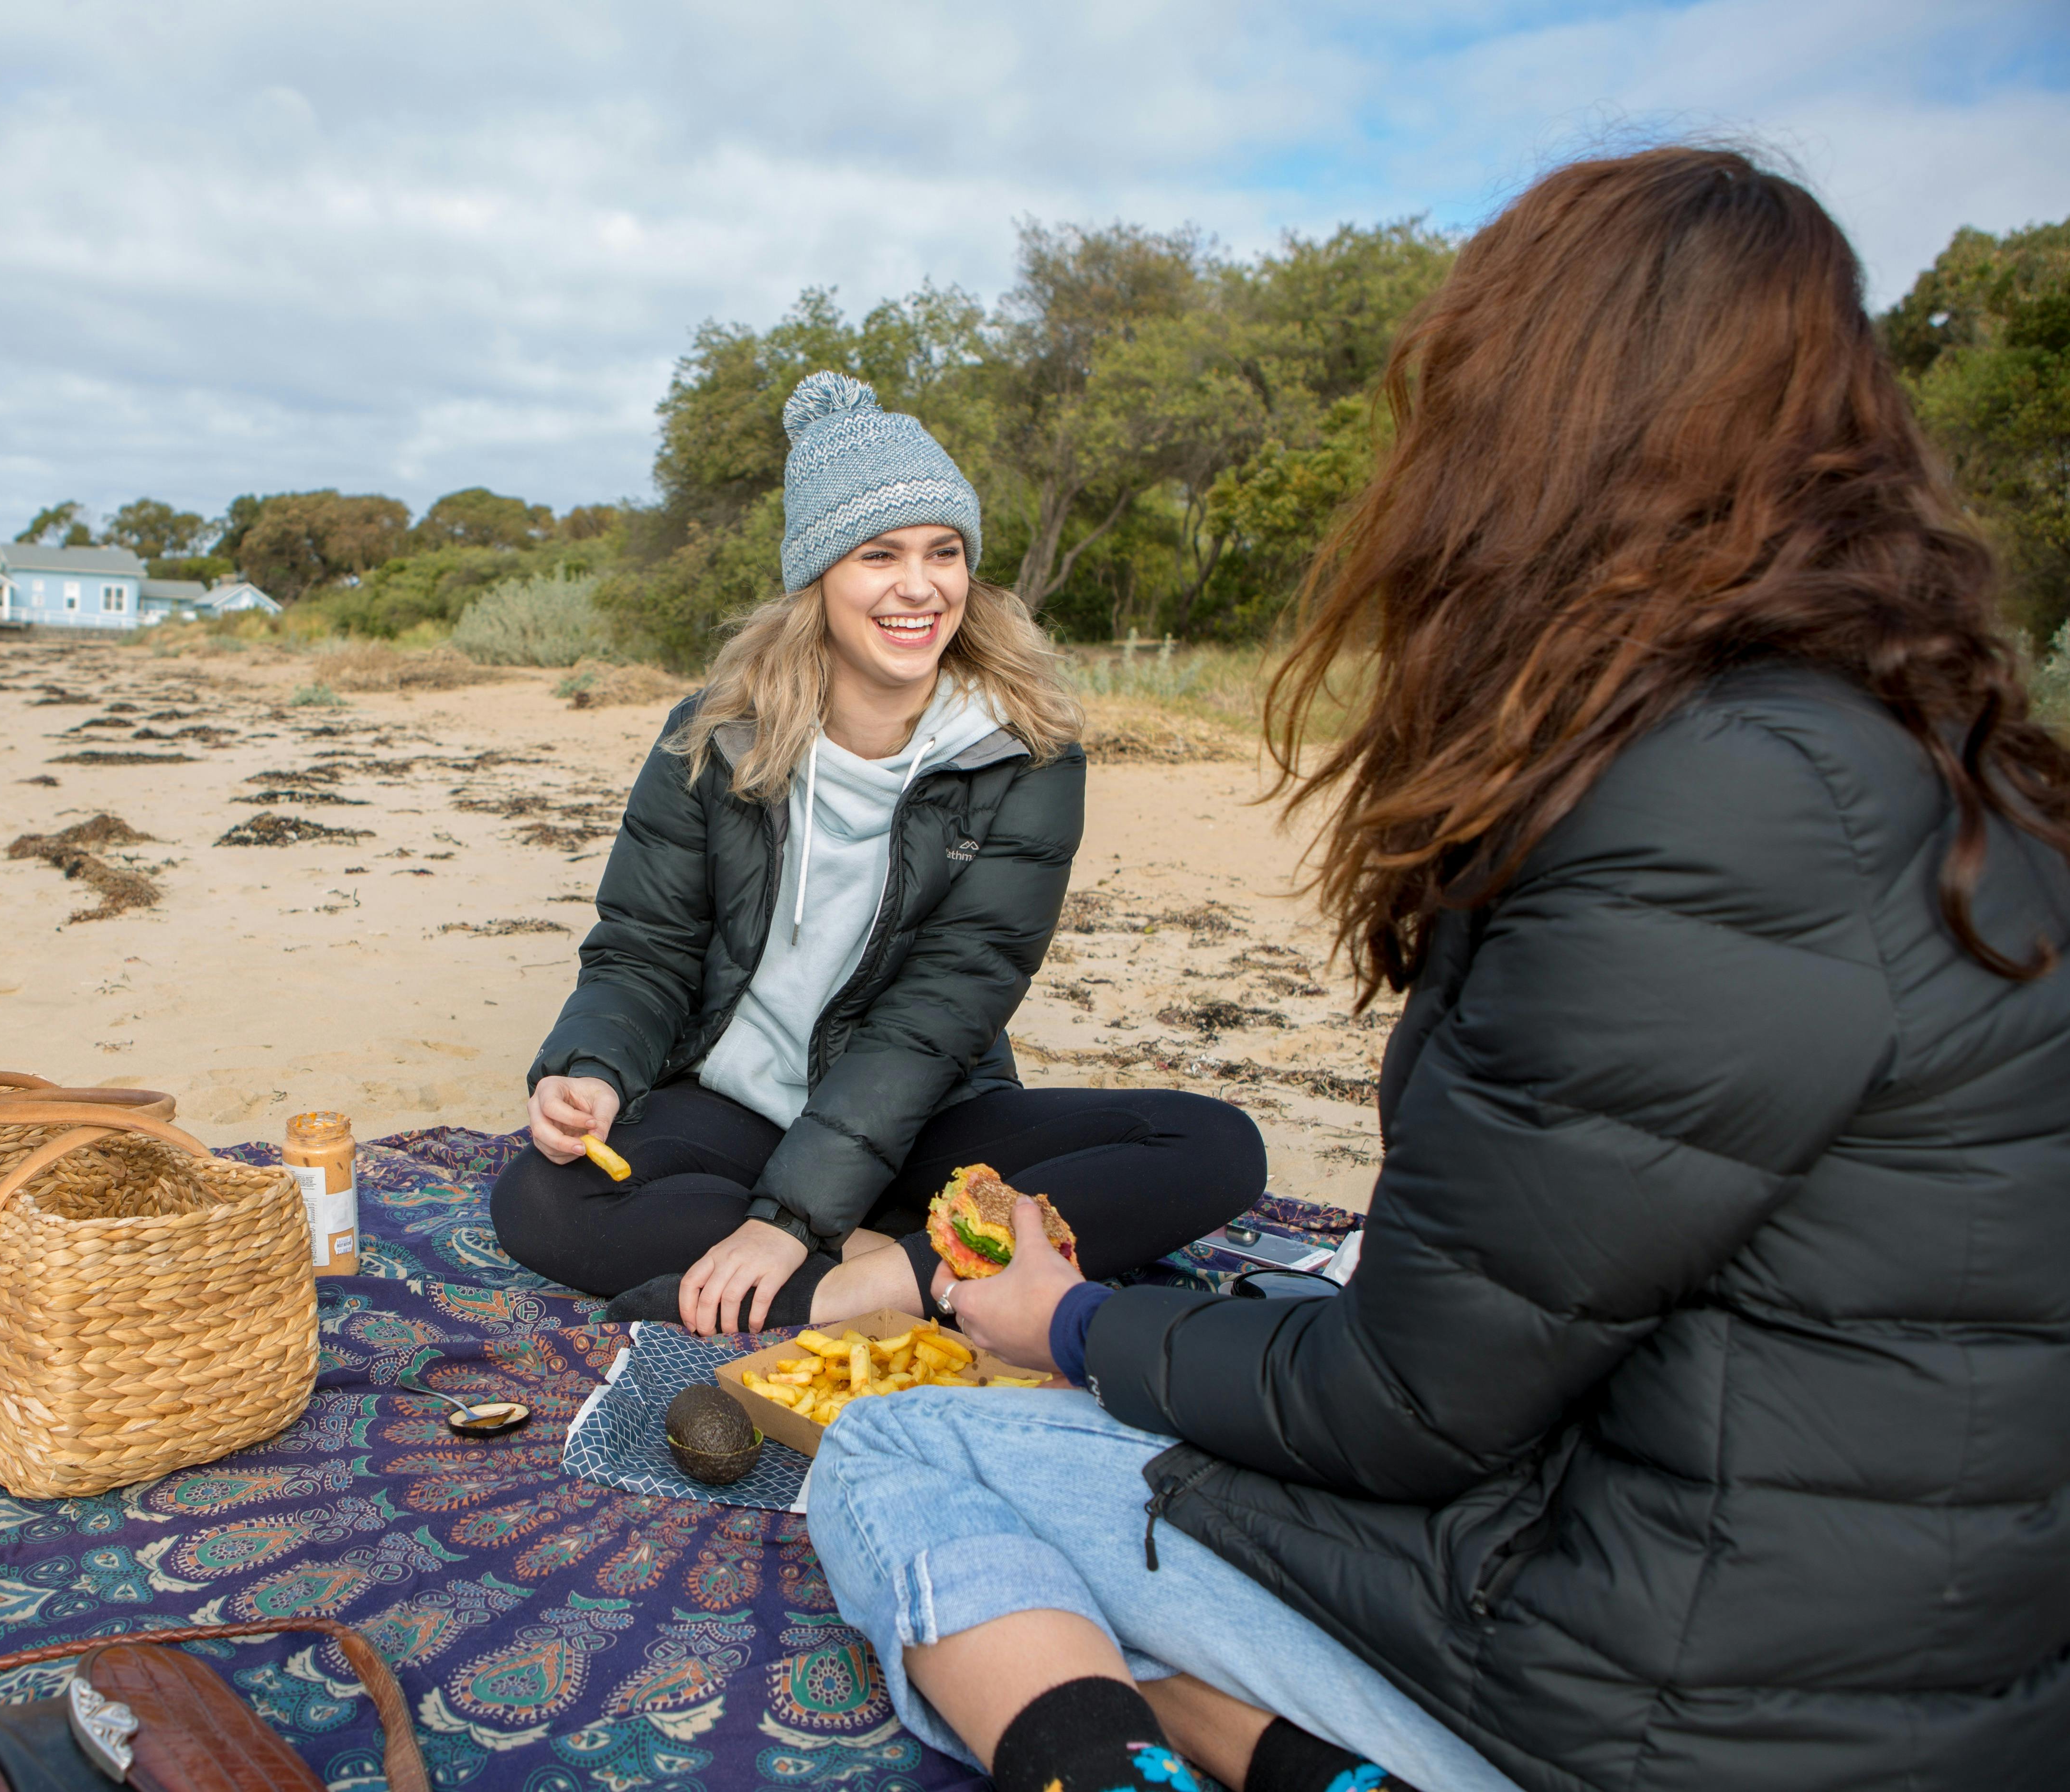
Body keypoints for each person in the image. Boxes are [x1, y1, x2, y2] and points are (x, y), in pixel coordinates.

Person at [806, 146, 2070, 1792]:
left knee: (897, 1446)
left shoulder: (1704, 802)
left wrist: (1074, 1325)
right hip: (1899, 1652)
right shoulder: (1947, 760)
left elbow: (1408, 1406)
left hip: (1678, 1703)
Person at [491, 372, 1266, 1335]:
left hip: (924, 1112)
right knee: (539, 1195)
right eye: (879, 554)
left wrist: (787, 1222)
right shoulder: (713, 736)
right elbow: (641, 950)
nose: (919, 585)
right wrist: (595, 1067)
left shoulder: (1026, 755)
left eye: (944, 552)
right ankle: (912, 1262)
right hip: (734, 1105)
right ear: (817, 578)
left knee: (1211, 1145)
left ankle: (858, 1286)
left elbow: (939, 1012)